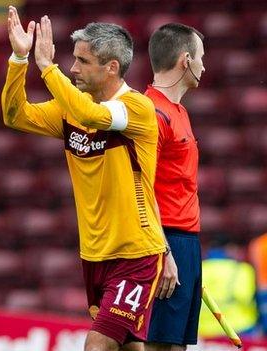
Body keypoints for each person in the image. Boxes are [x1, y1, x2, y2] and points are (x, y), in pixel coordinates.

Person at [2, 6, 168, 351]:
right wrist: (19, 60)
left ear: (111, 68)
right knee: (127, 346)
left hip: (135, 253)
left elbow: (90, 113)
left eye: (82, 61)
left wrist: (47, 68)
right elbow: (15, 115)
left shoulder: (137, 109)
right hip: (94, 254)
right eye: (71, 60)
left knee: (97, 344)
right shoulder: (70, 109)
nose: (72, 68)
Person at [143, 23, 205, 351]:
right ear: (185, 60)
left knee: (176, 345)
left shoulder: (179, 111)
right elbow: (141, 186)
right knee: (159, 345)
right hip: (166, 240)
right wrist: (163, 251)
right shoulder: (150, 112)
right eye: (200, 58)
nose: (204, 66)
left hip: (187, 241)